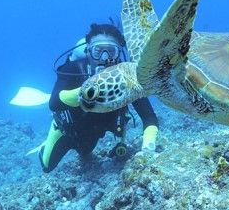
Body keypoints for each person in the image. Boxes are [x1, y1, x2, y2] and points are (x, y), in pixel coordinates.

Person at [38, 22, 159, 172]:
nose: (104, 58)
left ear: (119, 54)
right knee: (47, 166)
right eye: (98, 51)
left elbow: (149, 117)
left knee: (85, 151)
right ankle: (52, 134)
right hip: (70, 131)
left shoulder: (127, 78)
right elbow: (54, 103)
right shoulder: (74, 68)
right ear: (88, 52)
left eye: (111, 51)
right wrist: (90, 91)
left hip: (97, 131)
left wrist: (148, 149)